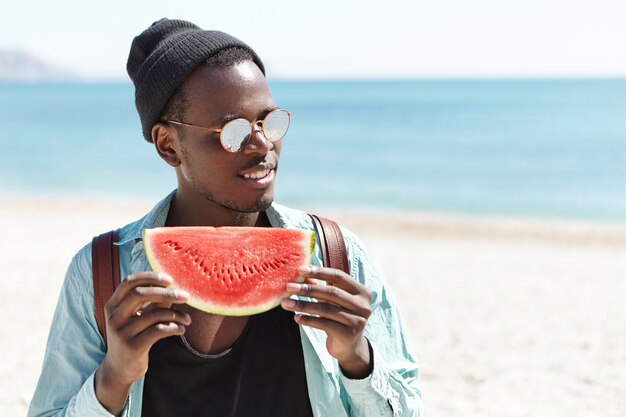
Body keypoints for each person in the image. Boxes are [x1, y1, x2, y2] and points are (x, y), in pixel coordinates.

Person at [28, 18, 423, 417]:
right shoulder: (100, 272)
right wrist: (113, 378)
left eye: (269, 121)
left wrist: (358, 360)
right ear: (169, 145)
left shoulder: (337, 254)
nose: (262, 144)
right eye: (231, 130)